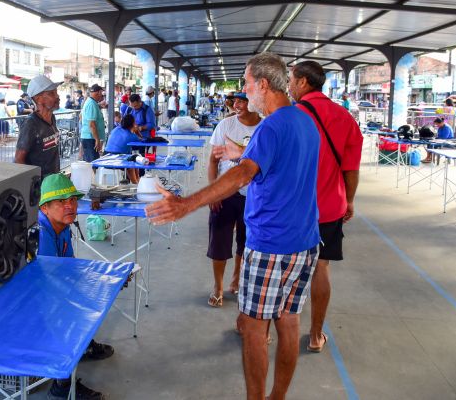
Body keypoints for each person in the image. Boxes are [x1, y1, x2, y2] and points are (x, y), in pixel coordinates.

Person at [146, 52, 320, 400]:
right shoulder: (304, 122)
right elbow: (274, 164)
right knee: (289, 322)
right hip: (305, 242)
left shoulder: (270, 126)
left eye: (246, 83)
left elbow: (243, 174)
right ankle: (277, 396)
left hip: (271, 245)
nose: (244, 90)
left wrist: (186, 204)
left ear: (263, 85)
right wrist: (238, 152)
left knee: (254, 331)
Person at [288, 61, 363, 354]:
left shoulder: (290, 116)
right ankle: (316, 335)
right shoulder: (344, 117)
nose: (290, 86)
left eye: (292, 80)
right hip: (329, 208)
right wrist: (350, 200)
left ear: (305, 82)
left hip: (292, 208)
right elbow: (351, 169)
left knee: (282, 267)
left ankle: (267, 331)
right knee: (321, 267)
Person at [37, 173, 114, 400]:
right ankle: (62, 387)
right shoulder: (42, 234)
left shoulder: (61, 228)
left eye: (72, 200)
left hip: (48, 291)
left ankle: (84, 346)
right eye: (61, 202)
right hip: (33, 302)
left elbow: (69, 269)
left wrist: (101, 281)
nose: (70, 205)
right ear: (44, 208)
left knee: (86, 296)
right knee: (69, 310)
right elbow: (50, 283)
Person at [205, 92, 260, 308]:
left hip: (255, 196)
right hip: (226, 192)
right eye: (235, 101)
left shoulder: (265, 128)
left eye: (243, 100)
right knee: (219, 241)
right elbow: (212, 161)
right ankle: (218, 287)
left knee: (247, 243)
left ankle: (237, 279)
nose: (237, 104)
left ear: (254, 102)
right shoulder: (225, 126)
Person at [15, 75, 61, 178]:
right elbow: (19, 159)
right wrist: (34, 182)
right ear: (38, 99)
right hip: (39, 186)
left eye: (56, 92)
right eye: (51, 93)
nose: (57, 96)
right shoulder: (31, 123)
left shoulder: (52, 118)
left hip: (52, 181)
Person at [104, 113, 142, 183]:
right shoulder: (131, 135)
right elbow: (141, 141)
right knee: (134, 161)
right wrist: (137, 131)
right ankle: (135, 183)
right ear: (132, 124)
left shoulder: (116, 129)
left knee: (132, 158)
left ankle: (135, 181)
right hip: (117, 158)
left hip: (106, 155)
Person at [80, 84, 106, 162]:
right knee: (92, 164)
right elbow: (92, 124)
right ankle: (91, 175)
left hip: (90, 138)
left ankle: (92, 174)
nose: (102, 95)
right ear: (97, 93)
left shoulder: (92, 102)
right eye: (101, 93)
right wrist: (97, 139)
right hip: (90, 138)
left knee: (92, 163)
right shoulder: (91, 104)